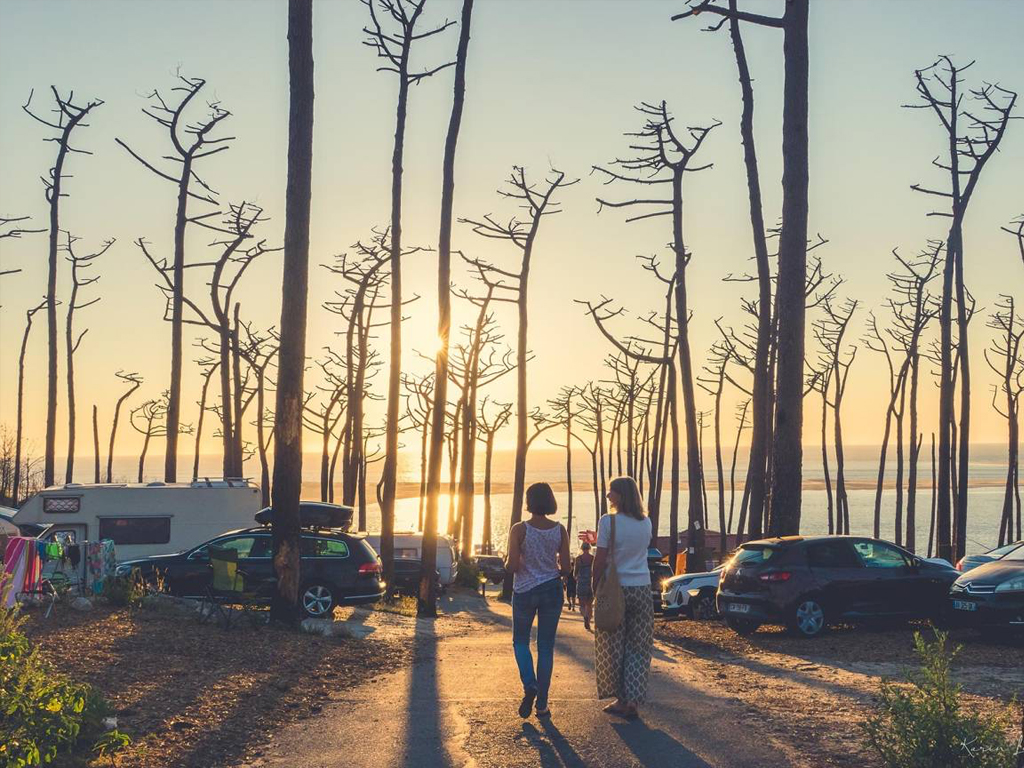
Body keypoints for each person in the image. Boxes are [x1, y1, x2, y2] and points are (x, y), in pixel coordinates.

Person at [505, 482, 571, 719]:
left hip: (524, 591)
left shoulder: (519, 530)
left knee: (520, 641)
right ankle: (542, 705)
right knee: (545, 647)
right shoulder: (559, 529)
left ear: (529, 502)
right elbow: (566, 568)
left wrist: (511, 562)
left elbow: (512, 566)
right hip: (552, 590)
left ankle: (529, 684)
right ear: (550, 501)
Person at [592, 476, 654, 719]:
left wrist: (592, 585)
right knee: (639, 646)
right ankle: (633, 701)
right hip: (642, 588)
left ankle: (620, 698)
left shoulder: (609, 522)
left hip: (616, 589)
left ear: (621, 495)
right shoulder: (645, 522)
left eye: (611, 492)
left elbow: (600, 558)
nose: (608, 496)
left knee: (613, 645)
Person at [574, 542, 595, 631]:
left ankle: (585, 616)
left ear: (582, 548)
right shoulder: (593, 558)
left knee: (582, 604)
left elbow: (575, 572)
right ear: (589, 548)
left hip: (581, 582)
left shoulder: (578, 559)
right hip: (590, 582)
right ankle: (588, 620)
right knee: (589, 604)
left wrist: (576, 577)